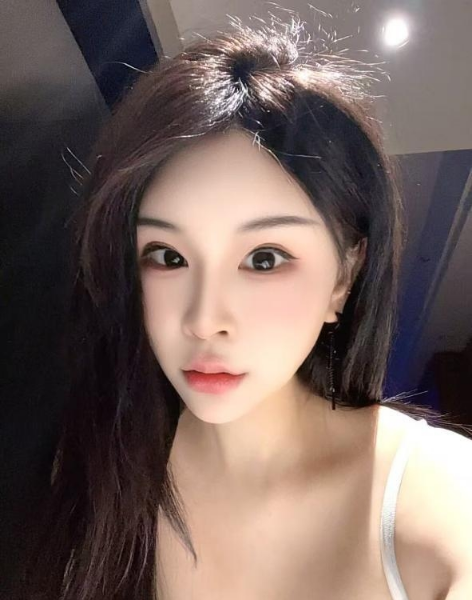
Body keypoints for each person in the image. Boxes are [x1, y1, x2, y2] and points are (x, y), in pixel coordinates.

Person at [16, 15, 472, 600]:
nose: (204, 320)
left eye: (264, 259)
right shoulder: (98, 467)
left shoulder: (439, 498)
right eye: (168, 256)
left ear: (344, 276)